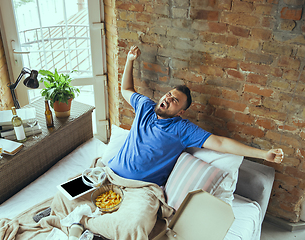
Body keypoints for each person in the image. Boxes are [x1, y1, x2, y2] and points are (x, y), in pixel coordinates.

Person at [108, 45, 284, 186]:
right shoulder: (145, 107)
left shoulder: (182, 129)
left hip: (141, 189)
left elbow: (220, 143)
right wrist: (130, 60)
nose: (168, 98)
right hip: (109, 174)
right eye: (168, 94)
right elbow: (126, 89)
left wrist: (263, 154)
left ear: (180, 113)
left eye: (175, 100)